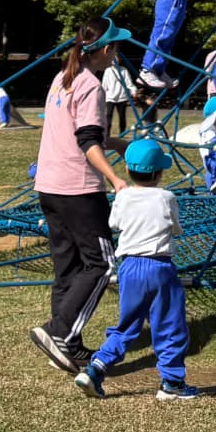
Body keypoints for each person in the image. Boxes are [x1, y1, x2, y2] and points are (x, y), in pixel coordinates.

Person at [28, 21, 132, 377]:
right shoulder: (91, 85)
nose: (116, 55)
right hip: (78, 188)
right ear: (106, 50)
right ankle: (59, 331)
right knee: (102, 264)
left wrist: (119, 144)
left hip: (49, 184)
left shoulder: (64, 78)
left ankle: (67, 344)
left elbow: (83, 133)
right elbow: (87, 141)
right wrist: (116, 178)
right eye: (116, 48)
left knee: (68, 266)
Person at [74, 139, 196, 401]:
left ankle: (96, 368)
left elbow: (114, 223)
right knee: (170, 324)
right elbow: (175, 227)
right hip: (159, 266)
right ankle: (172, 383)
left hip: (129, 267)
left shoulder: (123, 196)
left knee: (127, 324)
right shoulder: (166, 197)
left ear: (128, 171)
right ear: (159, 173)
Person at [100, 54, 135, 140]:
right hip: (110, 98)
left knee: (122, 116)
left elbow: (129, 84)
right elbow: (104, 85)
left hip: (121, 97)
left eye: (117, 59)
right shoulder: (108, 71)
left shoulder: (124, 71)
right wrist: (102, 95)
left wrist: (134, 91)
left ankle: (122, 133)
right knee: (108, 116)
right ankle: (107, 134)